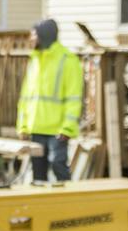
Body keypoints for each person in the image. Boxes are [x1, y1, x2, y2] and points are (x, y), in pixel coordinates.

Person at [16, 17, 84, 183]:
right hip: (36, 128)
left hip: (57, 131)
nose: (31, 39)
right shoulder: (34, 60)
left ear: (44, 36)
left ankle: (68, 205)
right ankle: (40, 207)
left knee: (58, 166)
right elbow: (26, 98)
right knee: (38, 174)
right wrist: (22, 126)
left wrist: (67, 128)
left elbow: (73, 98)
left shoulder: (68, 60)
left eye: (34, 35)